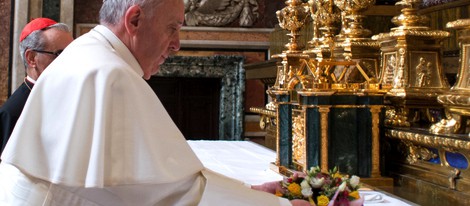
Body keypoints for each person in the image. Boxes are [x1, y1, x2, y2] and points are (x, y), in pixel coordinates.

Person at [0, 1, 309, 205]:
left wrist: (246, 193)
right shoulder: (109, 73)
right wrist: (274, 204)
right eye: (172, 28)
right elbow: (173, 197)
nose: (176, 44)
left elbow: (158, 185)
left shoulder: (92, 52)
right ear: (134, 19)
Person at [0, 18, 73, 154]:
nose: (70, 62)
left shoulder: (70, 97)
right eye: (60, 54)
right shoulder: (12, 113)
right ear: (32, 58)